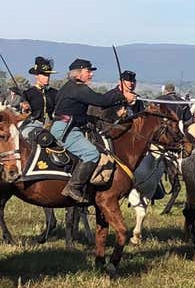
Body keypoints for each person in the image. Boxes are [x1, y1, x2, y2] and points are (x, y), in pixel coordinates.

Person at [52, 59, 137, 203]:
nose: (91, 74)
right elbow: (101, 100)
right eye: (88, 71)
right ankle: (74, 187)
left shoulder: (70, 87)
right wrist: (122, 95)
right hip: (66, 129)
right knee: (91, 154)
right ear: (78, 74)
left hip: (70, 127)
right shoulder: (78, 88)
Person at [18, 56, 56, 125]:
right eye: (44, 75)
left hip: (51, 126)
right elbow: (21, 114)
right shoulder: (27, 94)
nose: (47, 78)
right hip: (32, 126)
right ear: (36, 75)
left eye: (48, 75)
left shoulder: (55, 93)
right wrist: (24, 109)